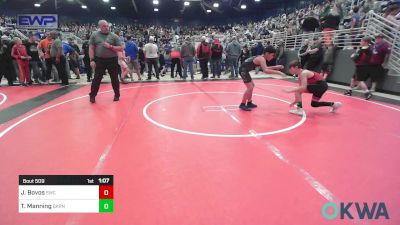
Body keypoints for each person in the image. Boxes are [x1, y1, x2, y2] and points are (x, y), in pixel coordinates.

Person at [238, 46, 286, 111]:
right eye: (272, 55)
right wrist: (279, 72)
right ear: (267, 53)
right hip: (243, 70)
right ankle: (242, 104)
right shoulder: (261, 59)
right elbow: (265, 70)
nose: (272, 57)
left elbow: (265, 68)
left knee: (252, 85)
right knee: (250, 87)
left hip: (244, 70)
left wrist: (276, 67)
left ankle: (249, 102)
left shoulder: (261, 57)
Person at [89, 20, 123, 103]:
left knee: (114, 78)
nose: (106, 27)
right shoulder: (94, 35)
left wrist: (110, 46)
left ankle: (117, 95)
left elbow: (121, 48)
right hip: (99, 60)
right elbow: (91, 48)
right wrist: (92, 60)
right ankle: (92, 95)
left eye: (107, 25)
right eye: (104, 26)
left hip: (112, 60)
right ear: (99, 27)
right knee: (97, 78)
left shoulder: (114, 36)